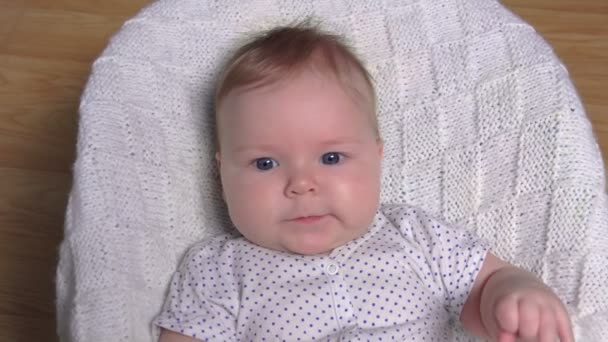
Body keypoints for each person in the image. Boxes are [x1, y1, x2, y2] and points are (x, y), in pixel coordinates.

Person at [153, 22, 573, 342]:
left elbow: (481, 287)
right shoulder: (219, 269)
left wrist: (514, 292)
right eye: (264, 163)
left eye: (331, 158)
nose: (302, 184)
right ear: (221, 172)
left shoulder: (414, 235)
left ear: (377, 156)